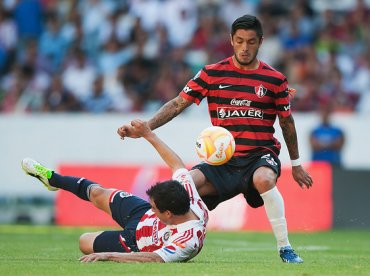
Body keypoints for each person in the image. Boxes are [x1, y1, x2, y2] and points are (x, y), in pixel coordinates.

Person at [118, 14, 313, 263]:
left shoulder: (275, 80)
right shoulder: (211, 74)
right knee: (183, 186)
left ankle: (285, 248)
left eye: (251, 42)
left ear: (260, 42)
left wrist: (295, 165)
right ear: (231, 40)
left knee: (264, 179)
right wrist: (146, 126)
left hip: (258, 156)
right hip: (223, 160)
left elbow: (287, 122)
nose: (245, 48)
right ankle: (155, 240)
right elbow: (178, 103)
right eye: (240, 41)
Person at [21, 119, 208, 263]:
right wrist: (148, 134)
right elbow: (176, 164)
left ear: (167, 213)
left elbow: (155, 258)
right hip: (141, 213)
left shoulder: (188, 240)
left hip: (134, 243)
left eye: (155, 207)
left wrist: (108, 255)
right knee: (97, 193)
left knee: (84, 241)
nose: (154, 207)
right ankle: (52, 179)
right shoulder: (188, 196)